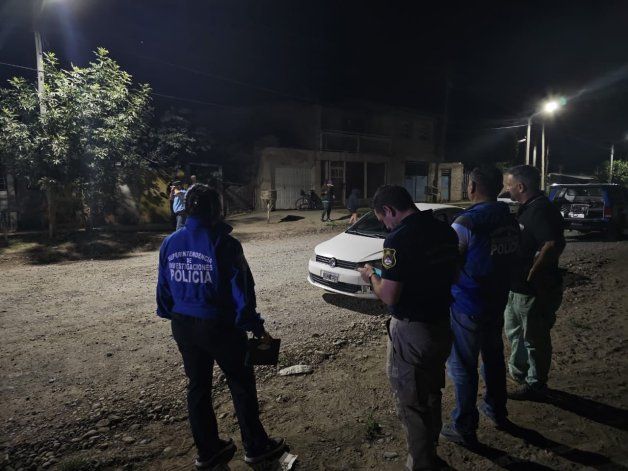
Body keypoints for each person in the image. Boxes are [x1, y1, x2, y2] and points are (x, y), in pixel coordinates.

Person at [156, 184, 286, 469]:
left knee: (198, 387)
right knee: (240, 384)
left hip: (183, 326)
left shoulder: (170, 243)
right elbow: (242, 290)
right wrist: (254, 326)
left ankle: (208, 451)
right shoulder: (225, 244)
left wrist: (172, 314)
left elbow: (164, 289)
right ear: (215, 210)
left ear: (187, 209)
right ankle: (255, 446)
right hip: (220, 328)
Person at [358, 185, 459, 471]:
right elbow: (454, 275)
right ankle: (432, 451)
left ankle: (422, 464)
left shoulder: (398, 240)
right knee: (432, 393)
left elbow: (389, 295)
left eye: (382, 218)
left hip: (413, 331)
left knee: (411, 402)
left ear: (389, 210)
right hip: (441, 324)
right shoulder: (445, 231)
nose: (385, 224)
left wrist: (371, 276)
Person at [440, 166, 520, 447]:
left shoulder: (466, 222)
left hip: (467, 303)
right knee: (494, 358)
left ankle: (464, 427)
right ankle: (497, 410)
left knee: (462, 367)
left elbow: (450, 263)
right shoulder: (508, 218)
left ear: (472, 187)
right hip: (497, 301)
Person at [503, 165, 565, 400]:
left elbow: (553, 245)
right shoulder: (528, 208)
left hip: (531, 290)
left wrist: (532, 274)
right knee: (516, 333)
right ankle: (521, 375)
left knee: (534, 338)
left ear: (521, 186)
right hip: (518, 288)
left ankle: (536, 384)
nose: (506, 189)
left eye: (508, 185)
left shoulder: (541, 210)